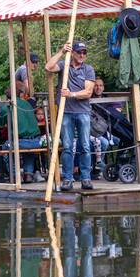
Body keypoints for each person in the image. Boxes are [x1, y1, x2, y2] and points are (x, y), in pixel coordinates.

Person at [45, 40, 96, 191]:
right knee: (67, 146)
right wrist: (62, 51)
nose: (82, 55)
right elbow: (48, 67)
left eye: (84, 52)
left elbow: (88, 92)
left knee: (85, 146)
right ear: (72, 52)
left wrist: (71, 94)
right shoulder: (64, 65)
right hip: (65, 112)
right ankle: (67, 179)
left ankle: (86, 178)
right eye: (79, 52)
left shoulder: (88, 69)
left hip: (83, 112)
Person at [0, 85, 45, 183]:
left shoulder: (7, 106)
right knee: (28, 149)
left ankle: (14, 175)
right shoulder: (27, 104)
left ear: (8, 95)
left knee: (6, 147)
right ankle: (28, 174)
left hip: (21, 142)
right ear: (20, 94)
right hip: (36, 141)